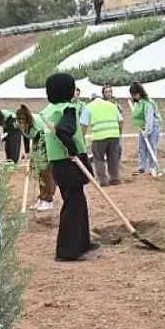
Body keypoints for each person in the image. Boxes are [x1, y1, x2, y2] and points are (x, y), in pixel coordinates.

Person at [45, 73, 97, 262]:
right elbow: (62, 131)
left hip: (59, 163)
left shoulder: (51, 109)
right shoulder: (67, 109)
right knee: (73, 206)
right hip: (69, 162)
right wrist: (72, 150)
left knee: (78, 202)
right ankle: (67, 251)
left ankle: (82, 243)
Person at [81, 89, 124, 185]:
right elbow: (121, 120)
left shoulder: (88, 107)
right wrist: (119, 132)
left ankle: (103, 181)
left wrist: (82, 136)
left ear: (91, 100)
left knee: (99, 159)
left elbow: (84, 124)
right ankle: (114, 178)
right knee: (113, 157)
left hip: (98, 136)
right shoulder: (112, 105)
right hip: (114, 135)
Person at [17, 105, 56, 210]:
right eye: (19, 123)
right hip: (38, 140)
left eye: (23, 123)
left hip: (47, 139)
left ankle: (48, 200)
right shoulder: (20, 124)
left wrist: (35, 155)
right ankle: (42, 198)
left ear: (28, 121)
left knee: (45, 171)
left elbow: (43, 143)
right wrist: (28, 152)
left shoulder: (37, 125)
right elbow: (26, 137)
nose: (21, 125)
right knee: (39, 171)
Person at [129, 82, 162, 176]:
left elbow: (149, 120)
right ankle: (142, 168)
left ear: (140, 93)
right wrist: (142, 130)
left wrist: (147, 132)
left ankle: (153, 168)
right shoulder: (137, 104)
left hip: (153, 127)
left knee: (151, 147)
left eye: (135, 94)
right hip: (142, 128)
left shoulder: (149, 103)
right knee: (141, 148)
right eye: (132, 95)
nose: (134, 97)